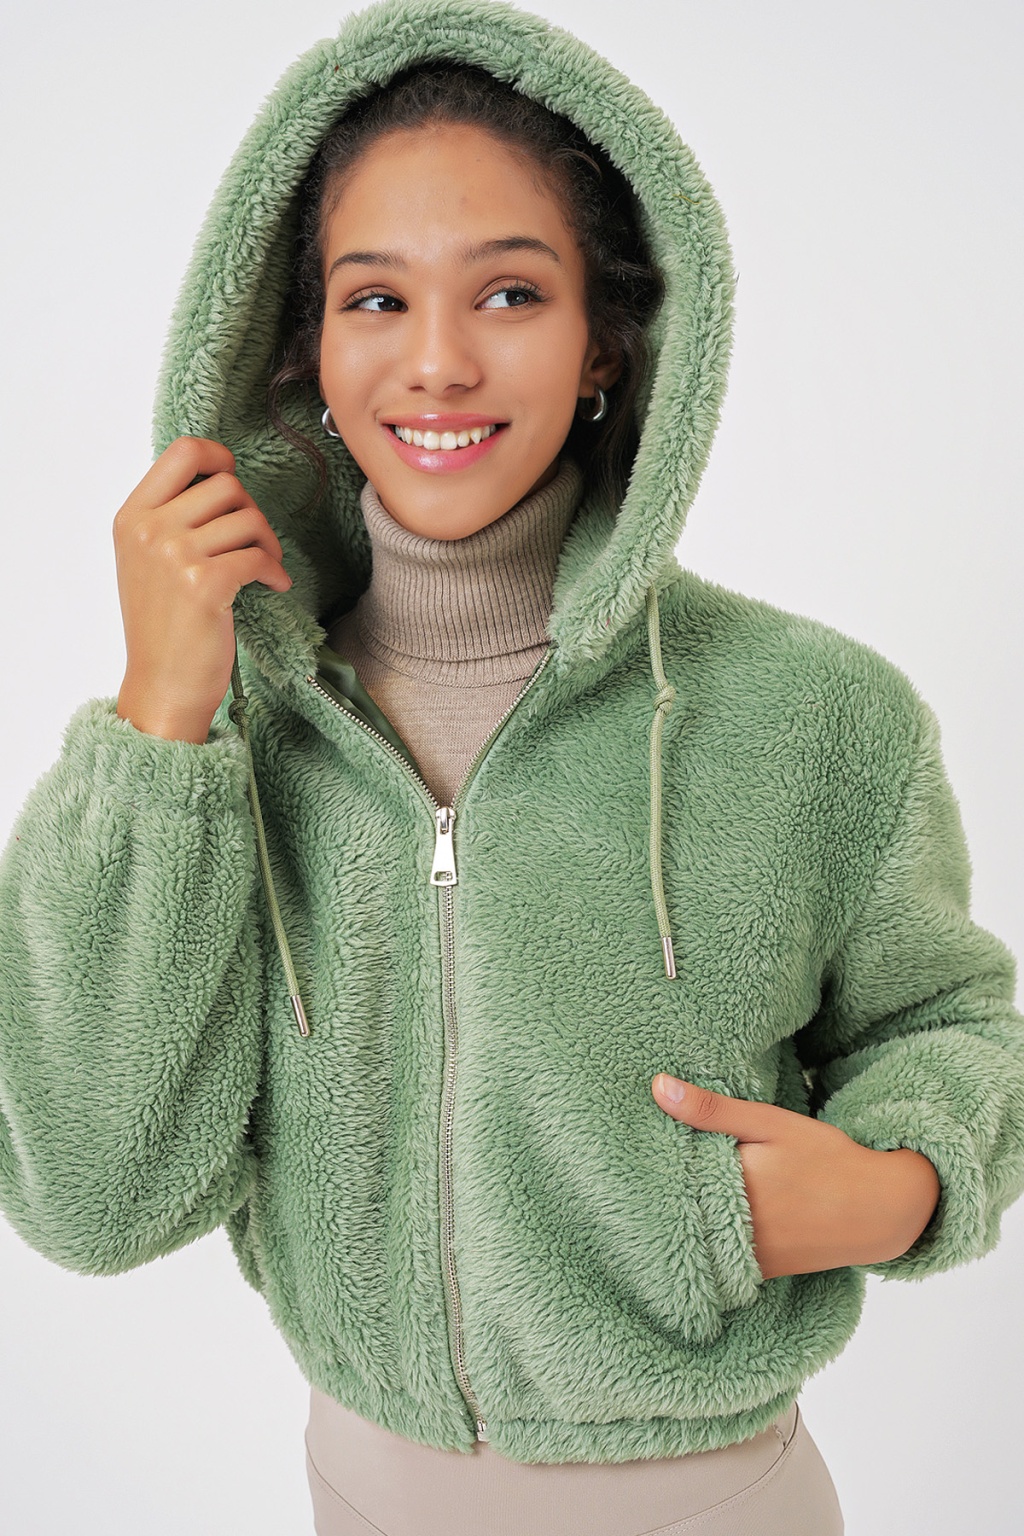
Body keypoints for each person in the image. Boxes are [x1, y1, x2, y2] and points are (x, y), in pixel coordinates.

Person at [0, 0, 1021, 1531]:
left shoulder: (819, 718)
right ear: (308, 344)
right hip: (356, 1489)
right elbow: (89, 1194)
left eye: (510, 293)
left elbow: (953, 1026)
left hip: (709, 1505)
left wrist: (907, 1183)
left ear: (605, 340)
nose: (437, 363)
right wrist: (160, 714)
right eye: (376, 299)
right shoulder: (226, 738)